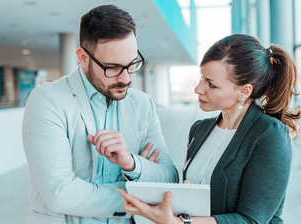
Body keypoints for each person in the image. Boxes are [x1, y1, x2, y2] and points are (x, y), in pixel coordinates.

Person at [118, 33, 301, 224]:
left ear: (244, 92)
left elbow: (252, 220)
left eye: (211, 85)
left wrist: (180, 223)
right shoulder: (199, 129)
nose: (198, 89)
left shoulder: (269, 133)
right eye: (201, 78)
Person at [22, 4, 178, 224]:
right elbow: (60, 194)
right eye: (112, 67)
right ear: (83, 58)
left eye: (131, 64)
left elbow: (170, 178)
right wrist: (138, 192)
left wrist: (132, 164)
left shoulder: (143, 105)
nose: (125, 78)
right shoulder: (48, 101)